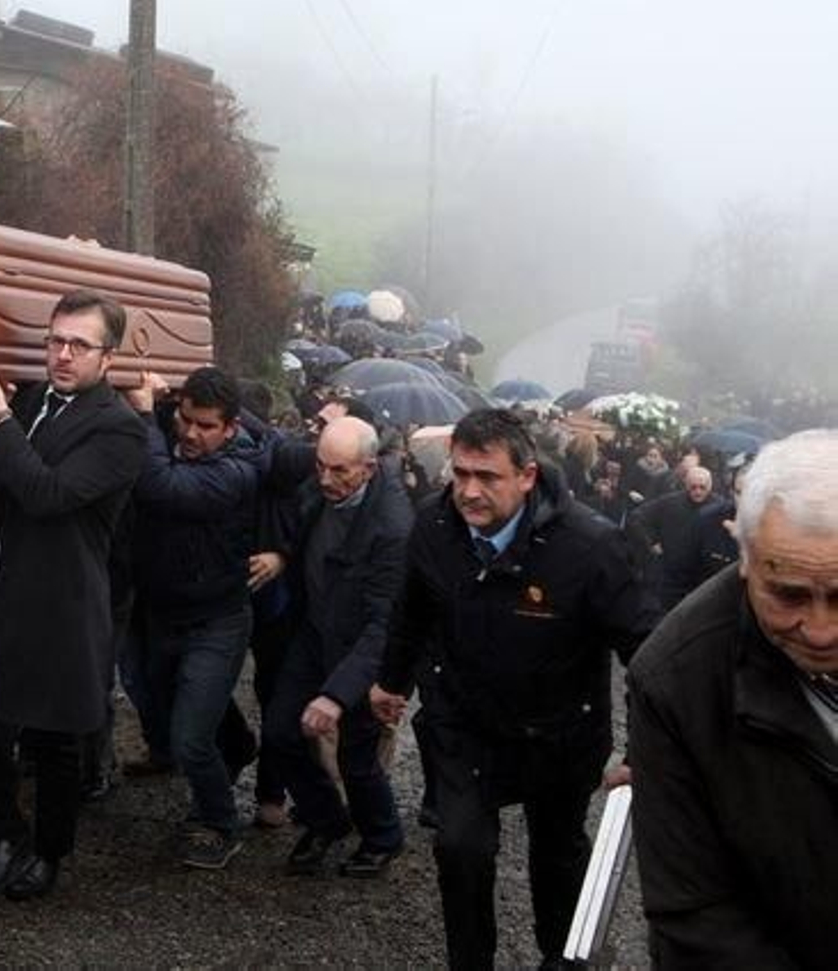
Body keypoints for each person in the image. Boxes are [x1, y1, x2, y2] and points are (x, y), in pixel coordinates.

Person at [370, 408, 657, 970]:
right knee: (459, 849)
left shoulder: (591, 547)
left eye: (487, 477)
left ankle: (562, 958)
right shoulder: (434, 526)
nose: (469, 492)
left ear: (526, 476)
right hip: (465, 724)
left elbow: (645, 648)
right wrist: (391, 680)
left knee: (556, 855)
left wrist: (646, 747)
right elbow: (412, 608)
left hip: (561, 731)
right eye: (460, 474)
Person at [0, 288, 148, 901]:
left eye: (78, 345)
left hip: (58, 600)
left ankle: (49, 852)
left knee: (53, 738)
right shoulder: (28, 401)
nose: (61, 354)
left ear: (107, 357)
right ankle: (6, 829)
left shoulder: (119, 430)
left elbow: (48, 495)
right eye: (54, 340)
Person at [627, 429, 836, 968]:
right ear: (743, 556)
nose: (819, 630)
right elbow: (693, 906)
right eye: (788, 594)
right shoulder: (676, 678)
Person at [127, 366, 262, 869]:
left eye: (206, 426)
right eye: (185, 419)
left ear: (231, 428)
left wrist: (145, 412)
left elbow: (159, 485)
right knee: (171, 708)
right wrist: (156, 398)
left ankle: (219, 821)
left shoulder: (237, 470)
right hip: (163, 611)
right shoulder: (172, 432)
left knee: (188, 738)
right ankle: (239, 744)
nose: (189, 433)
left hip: (218, 618)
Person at [268, 416, 410, 878]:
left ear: (368, 468)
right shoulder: (318, 491)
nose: (326, 479)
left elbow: (382, 624)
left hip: (360, 648)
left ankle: (383, 836)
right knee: (280, 733)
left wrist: (337, 694)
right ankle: (326, 819)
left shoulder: (392, 529)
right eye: (321, 466)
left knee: (357, 756)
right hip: (313, 632)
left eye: (340, 471)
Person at [628, 464, 727, 610]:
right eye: (693, 487)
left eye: (702, 487)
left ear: (710, 486)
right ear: (686, 485)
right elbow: (637, 517)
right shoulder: (670, 502)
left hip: (703, 578)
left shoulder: (721, 506)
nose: (697, 492)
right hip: (671, 579)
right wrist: (651, 542)